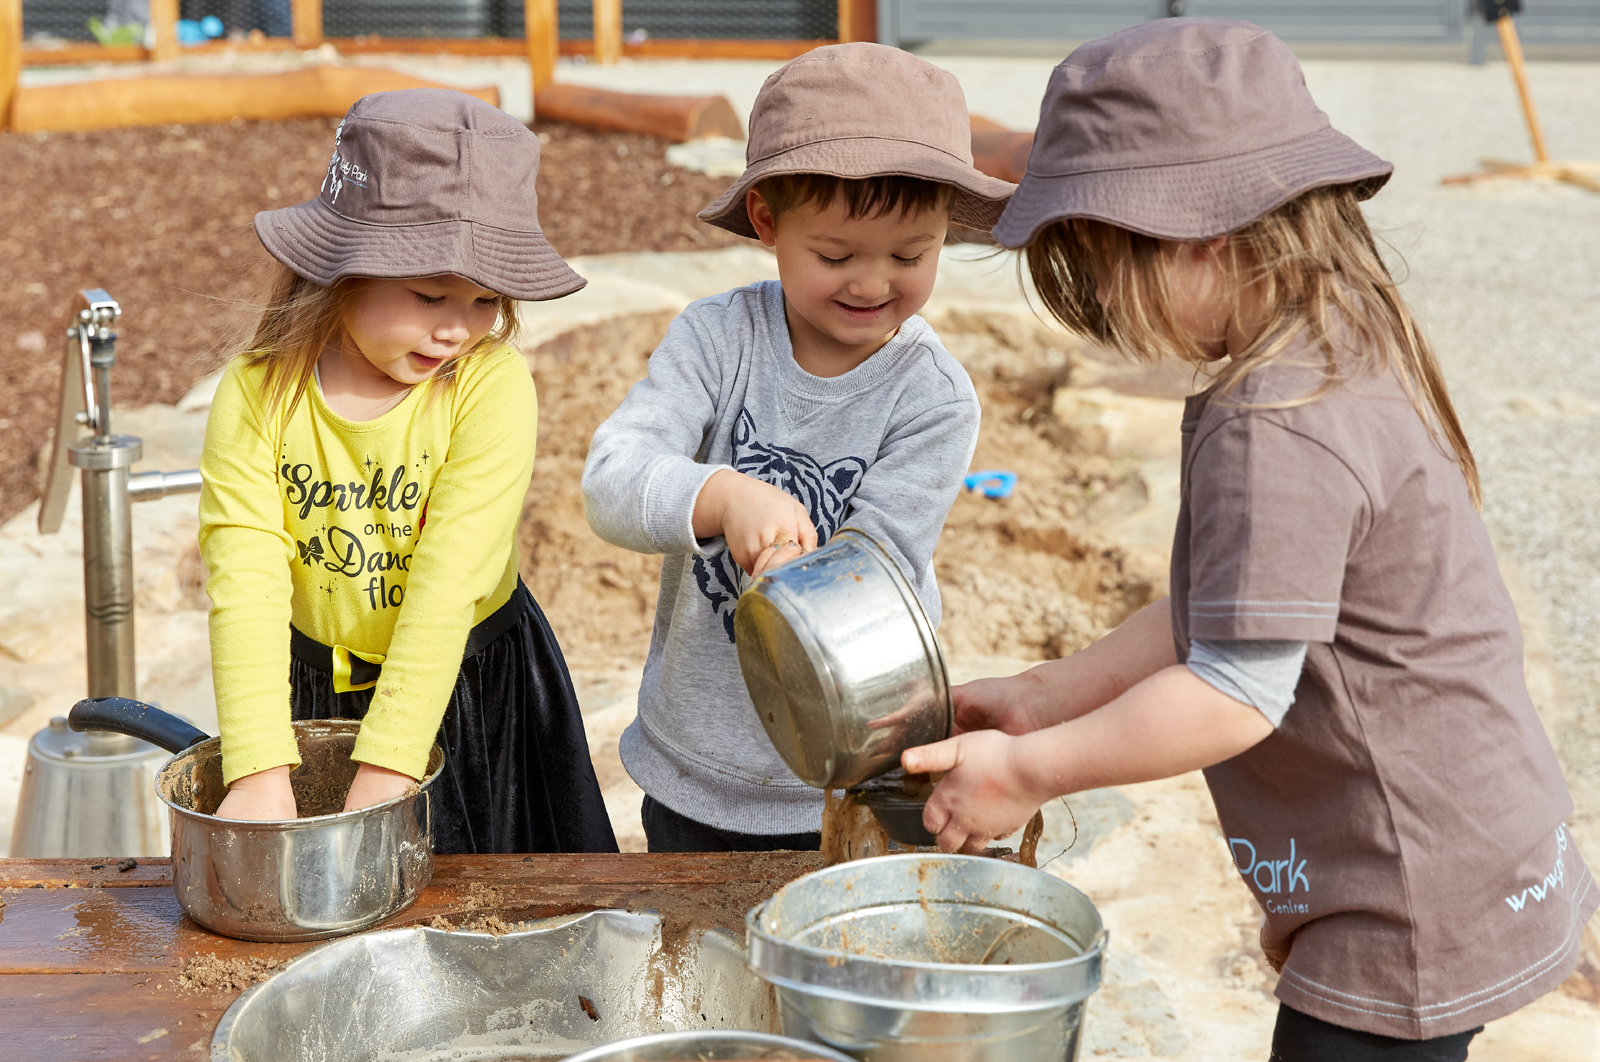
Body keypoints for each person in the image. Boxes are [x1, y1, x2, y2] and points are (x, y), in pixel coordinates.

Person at [904, 19, 1596, 1061]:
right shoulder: (1339, 332)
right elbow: (1230, 601)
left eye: (1101, 266)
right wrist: (1056, 690)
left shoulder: (1273, 423)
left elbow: (1231, 688)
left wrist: (1033, 770)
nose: (1100, 308)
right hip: (1472, 834)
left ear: (1200, 235)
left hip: (1399, 892)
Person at [582, 43, 1013, 853]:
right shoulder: (718, 341)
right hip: (696, 771)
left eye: (910, 256)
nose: (872, 283)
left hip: (855, 766)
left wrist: (803, 577)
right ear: (767, 222)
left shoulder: (931, 396)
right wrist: (720, 495)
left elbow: (882, 562)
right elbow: (612, 480)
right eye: (836, 255)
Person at [199, 89, 617, 856]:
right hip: (314, 696)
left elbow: (449, 580)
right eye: (429, 294)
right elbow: (245, 577)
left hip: (474, 690)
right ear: (340, 268)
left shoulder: (489, 387)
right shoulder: (256, 394)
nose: (458, 327)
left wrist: (391, 763)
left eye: (487, 298)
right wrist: (257, 762)